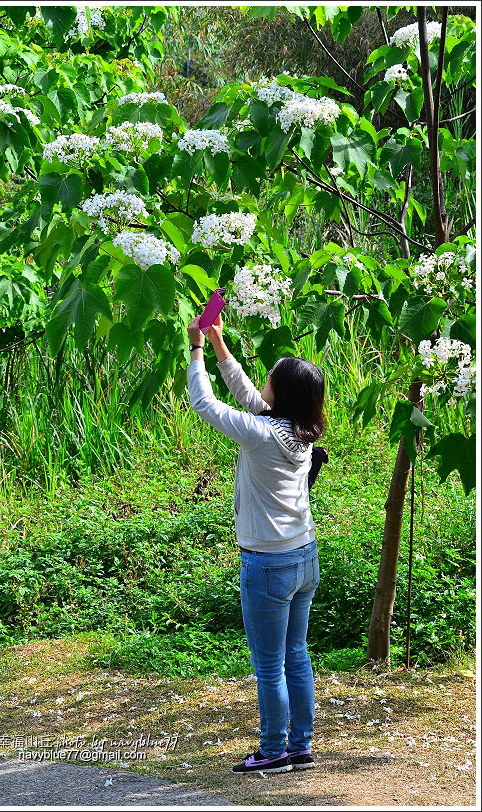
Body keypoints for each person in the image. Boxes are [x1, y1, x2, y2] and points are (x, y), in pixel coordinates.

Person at [186, 312, 325, 775]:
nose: (262, 380)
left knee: (269, 664)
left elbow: (204, 404)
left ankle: (272, 752)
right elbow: (248, 395)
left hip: (268, 564)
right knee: (296, 655)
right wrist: (221, 345)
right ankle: (300, 746)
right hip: (304, 556)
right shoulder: (298, 429)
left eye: (270, 377)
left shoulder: (262, 434)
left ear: (281, 394)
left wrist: (196, 350)